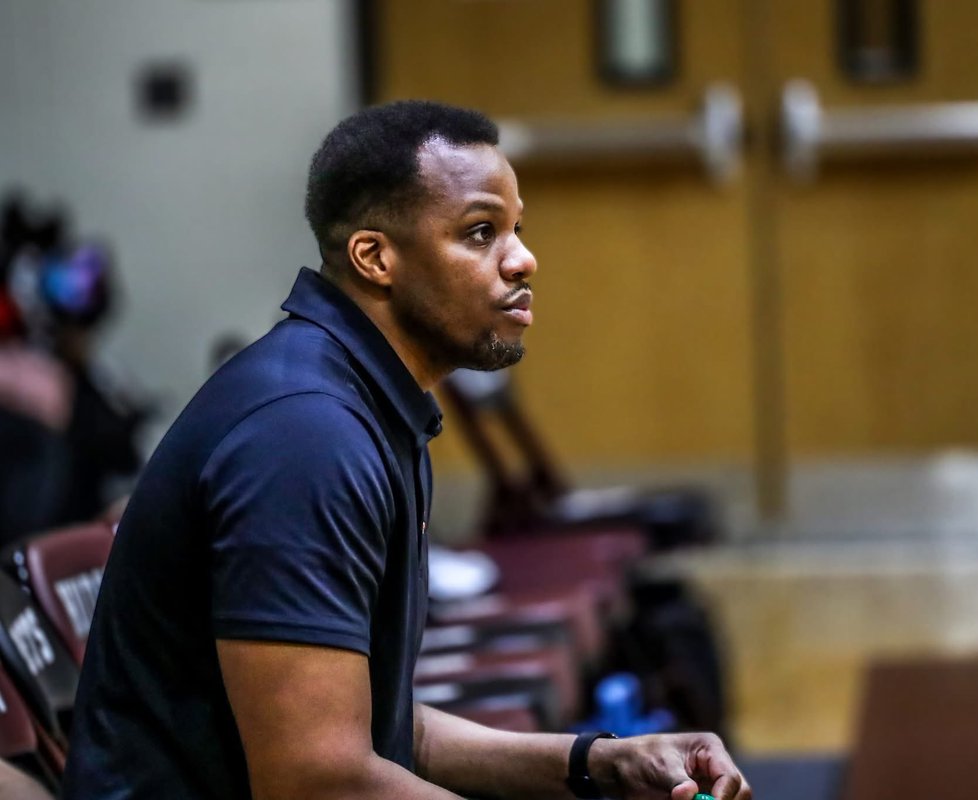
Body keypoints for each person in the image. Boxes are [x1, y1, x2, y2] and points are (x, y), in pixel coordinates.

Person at [62, 100, 751, 800]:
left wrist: (601, 761)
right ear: (375, 258)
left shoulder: (363, 401)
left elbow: (388, 734)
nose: (524, 259)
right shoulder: (305, 436)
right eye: (481, 232)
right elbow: (318, 782)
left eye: (516, 230)